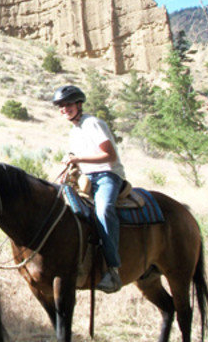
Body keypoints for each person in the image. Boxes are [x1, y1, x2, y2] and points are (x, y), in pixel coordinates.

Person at [54, 85, 124, 293]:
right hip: (86, 178)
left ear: (79, 104)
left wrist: (78, 158)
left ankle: (113, 269)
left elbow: (110, 156)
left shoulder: (92, 123)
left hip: (107, 176)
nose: (64, 109)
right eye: (61, 106)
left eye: (68, 104)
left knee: (103, 210)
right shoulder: (74, 131)